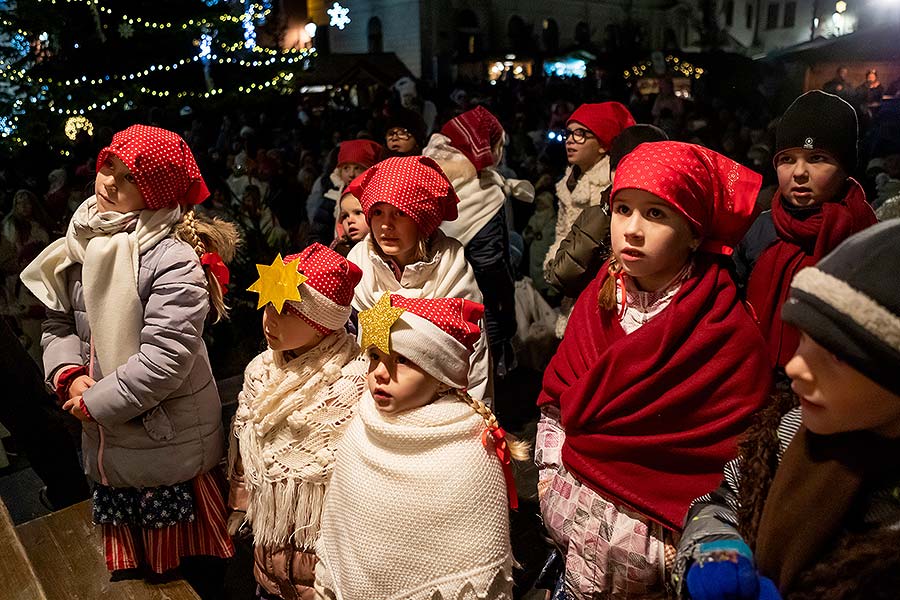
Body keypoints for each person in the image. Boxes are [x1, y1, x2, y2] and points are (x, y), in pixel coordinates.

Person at [536, 141, 772, 598]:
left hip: (657, 572)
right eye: (622, 209)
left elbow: (736, 459)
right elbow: (556, 404)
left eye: (657, 214)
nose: (632, 230)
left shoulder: (727, 335)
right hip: (575, 549)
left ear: (695, 232)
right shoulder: (595, 303)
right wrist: (550, 487)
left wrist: (662, 551)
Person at [20, 125, 237, 592]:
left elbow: (165, 360)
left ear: (155, 193)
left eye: (128, 178)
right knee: (134, 581)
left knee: (184, 578)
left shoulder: (173, 258)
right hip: (107, 438)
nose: (109, 182)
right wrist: (69, 374)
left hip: (166, 442)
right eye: (108, 167)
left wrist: (97, 402)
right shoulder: (85, 238)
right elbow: (59, 323)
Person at [674, 219, 900, 600]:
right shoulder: (791, 429)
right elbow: (726, 499)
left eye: (835, 356)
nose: (794, 366)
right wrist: (715, 549)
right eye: (803, 341)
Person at [315, 294, 527, 600]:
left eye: (403, 360)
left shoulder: (471, 451)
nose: (380, 373)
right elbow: (343, 526)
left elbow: (478, 554)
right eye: (375, 355)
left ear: (441, 377)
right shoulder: (361, 427)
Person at [228, 244, 366, 600]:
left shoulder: (354, 383)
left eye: (286, 310)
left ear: (324, 324)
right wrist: (240, 503)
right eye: (268, 305)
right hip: (268, 553)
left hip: (325, 561)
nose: (269, 320)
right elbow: (247, 451)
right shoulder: (260, 371)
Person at [740, 91, 877, 370]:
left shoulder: (867, 239)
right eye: (787, 159)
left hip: (834, 386)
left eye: (817, 158)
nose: (799, 172)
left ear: (845, 166)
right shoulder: (759, 229)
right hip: (757, 378)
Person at [346, 156, 492, 403]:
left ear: (423, 219)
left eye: (400, 213)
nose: (386, 226)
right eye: (378, 212)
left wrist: (473, 416)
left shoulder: (451, 270)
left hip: (438, 404)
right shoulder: (358, 267)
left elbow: (474, 357)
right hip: (371, 399)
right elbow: (347, 351)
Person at [424, 105, 534, 377]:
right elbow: (490, 264)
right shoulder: (483, 194)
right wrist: (506, 318)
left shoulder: (427, 179)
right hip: (478, 312)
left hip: (429, 305)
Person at [547, 124, 668, 300]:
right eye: (624, 209)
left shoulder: (673, 214)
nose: (633, 230)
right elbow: (562, 274)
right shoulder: (598, 210)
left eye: (581, 133)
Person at [308, 139, 384, 244]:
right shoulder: (332, 197)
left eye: (357, 168)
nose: (351, 174)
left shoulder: (378, 198)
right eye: (346, 168)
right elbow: (318, 231)